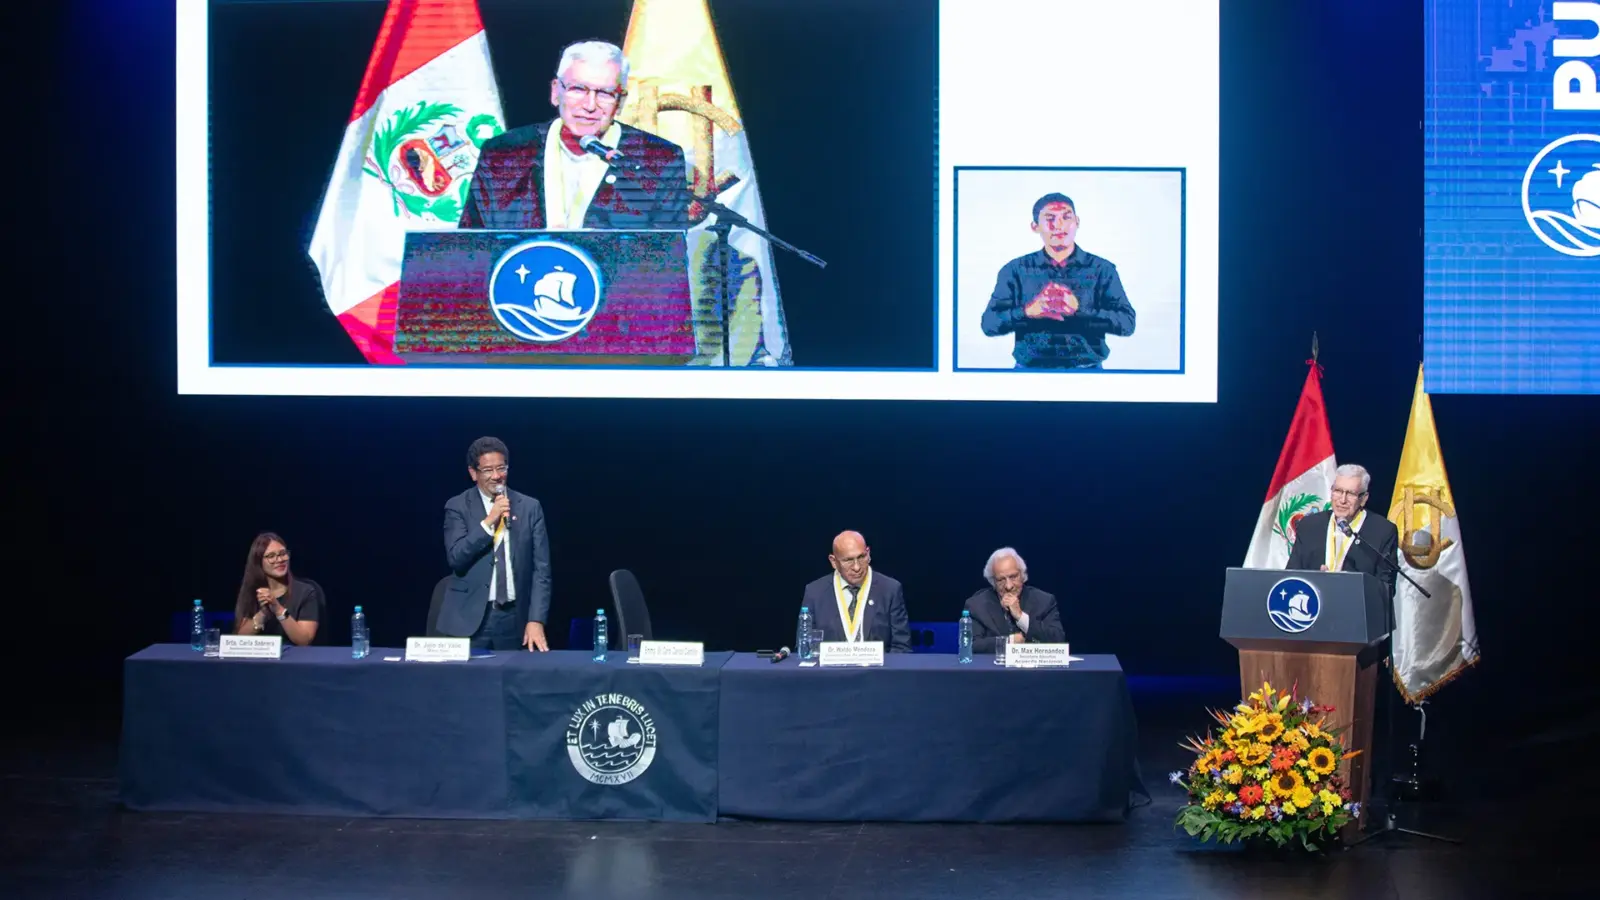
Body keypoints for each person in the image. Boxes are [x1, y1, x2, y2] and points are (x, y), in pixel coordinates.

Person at [459, 41, 691, 231]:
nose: (590, 106)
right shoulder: (503, 154)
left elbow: (666, 259)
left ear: (620, 102)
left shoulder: (658, 161)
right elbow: (471, 249)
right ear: (555, 92)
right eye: (578, 89)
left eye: (605, 93)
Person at [980, 193, 1136, 369]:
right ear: (1035, 226)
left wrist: (1079, 310)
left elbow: (1127, 324)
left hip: (1089, 372)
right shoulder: (1015, 270)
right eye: (1050, 218)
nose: (1059, 225)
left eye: (1066, 217)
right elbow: (989, 324)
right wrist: (1028, 311)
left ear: (1077, 221)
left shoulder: (1102, 269)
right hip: (1029, 372)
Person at [440, 437, 553, 651]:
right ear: (473, 473)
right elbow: (456, 558)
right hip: (469, 618)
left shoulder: (529, 507)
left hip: (515, 618)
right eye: (488, 470)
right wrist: (489, 522)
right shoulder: (457, 506)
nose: (496, 476)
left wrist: (536, 619)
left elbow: (542, 570)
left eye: (501, 468)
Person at [1287, 464, 1399, 597]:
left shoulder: (1382, 531)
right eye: (1338, 491)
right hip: (1312, 603)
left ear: (1363, 499)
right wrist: (1315, 581)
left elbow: (1387, 589)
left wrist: (1350, 585)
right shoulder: (1310, 526)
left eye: (1351, 494)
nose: (1342, 500)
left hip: (1355, 606)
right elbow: (1291, 576)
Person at [800, 531, 912, 653]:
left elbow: (902, 647)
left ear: (868, 553)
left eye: (861, 557)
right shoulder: (815, 593)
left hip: (879, 665)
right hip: (830, 665)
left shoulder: (890, 590)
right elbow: (804, 647)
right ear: (833, 561)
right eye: (848, 560)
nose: (857, 567)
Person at [962, 547, 1065, 654]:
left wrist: (1021, 617)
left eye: (1013, 577)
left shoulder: (1044, 601)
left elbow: (1058, 642)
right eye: (1001, 580)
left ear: (1023, 575)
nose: (1008, 586)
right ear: (993, 582)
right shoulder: (976, 605)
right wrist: (1009, 642)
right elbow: (970, 646)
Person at [233, 532, 324, 646]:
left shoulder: (306, 591)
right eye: (271, 556)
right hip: (260, 655)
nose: (280, 560)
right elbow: (239, 640)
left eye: (283, 553)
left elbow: (304, 640)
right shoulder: (252, 591)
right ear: (259, 562)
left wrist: (278, 609)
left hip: (295, 655)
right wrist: (263, 614)